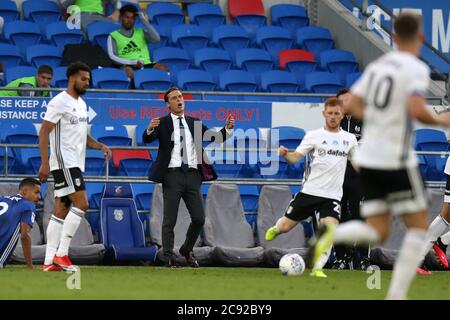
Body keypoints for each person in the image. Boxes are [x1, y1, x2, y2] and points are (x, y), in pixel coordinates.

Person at [309, 13, 450, 299]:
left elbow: (354, 103)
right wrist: (439, 121)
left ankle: (332, 236)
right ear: (419, 39)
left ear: (394, 38)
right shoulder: (414, 69)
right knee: (413, 227)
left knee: (379, 228)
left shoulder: (378, 69)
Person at [265, 97, 358, 278]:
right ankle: (276, 228)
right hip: (310, 192)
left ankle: (317, 268)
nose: (333, 117)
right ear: (324, 114)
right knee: (285, 227)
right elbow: (295, 158)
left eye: (336, 114)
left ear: (342, 115)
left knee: (329, 230)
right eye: (329, 113)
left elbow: (357, 164)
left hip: (332, 196)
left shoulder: (349, 139)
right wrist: (285, 154)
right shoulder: (314, 135)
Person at [143, 87, 235, 268]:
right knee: (170, 219)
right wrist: (149, 129)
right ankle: (168, 256)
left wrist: (228, 129)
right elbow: (147, 139)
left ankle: (186, 248)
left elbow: (215, 138)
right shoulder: (162, 122)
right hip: (172, 175)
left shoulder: (195, 122)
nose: (179, 100)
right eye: (174, 98)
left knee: (199, 218)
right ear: (168, 104)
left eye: (180, 97)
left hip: (193, 176)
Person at [38, 61, 112, 272]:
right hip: (64, 161)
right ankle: (62, 254)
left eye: (88, 79)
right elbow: (44, 132)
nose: (87, 83)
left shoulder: (81, 104)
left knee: (61, 210)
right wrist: (45, 162)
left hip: (76, 162)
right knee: (83, 204)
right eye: (83, 79)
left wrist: (100, 146)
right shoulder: (59, 101)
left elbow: (82, 135)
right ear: (72, 78)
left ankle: (48, 261)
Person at [332, 88, 369, 270]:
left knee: (360, 216)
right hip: (337, 178)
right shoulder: (332, 123)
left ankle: (363, 258)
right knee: (336, 217)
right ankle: (341, 257)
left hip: (359, 178)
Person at [107, 4, 167, 83]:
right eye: (127, 17)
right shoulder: (113, 36)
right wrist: (133, 62)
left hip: (146, 64)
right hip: (127, 65)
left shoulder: (140, 32)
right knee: (129, 71)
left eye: (132, 18)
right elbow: (112, 57)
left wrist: (143, 20)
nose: (129, 20)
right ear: (121, 17)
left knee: (162, 68)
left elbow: (156, 39)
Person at [0, 178, 41, 269]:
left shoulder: (2, 199)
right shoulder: (28, 205)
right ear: (24, 191)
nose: (39, 197)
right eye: (36, 192)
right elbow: (24, 235)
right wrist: (30, 265)